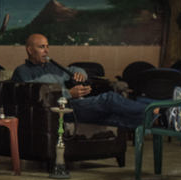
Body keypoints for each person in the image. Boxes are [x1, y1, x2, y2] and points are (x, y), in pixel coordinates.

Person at [11, 33, 151, 130]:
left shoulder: (53, 67)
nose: (46, 51)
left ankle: (159, 121)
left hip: (73, 106)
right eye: (42, 47)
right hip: (57, 112)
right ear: (30, 50)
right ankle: (156, 111)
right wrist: (68, 94)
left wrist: (80, 73)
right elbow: (36, 96)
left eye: (47, 46)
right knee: (110, 99)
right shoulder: (22, 71)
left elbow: (74, 68)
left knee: (115, 118)